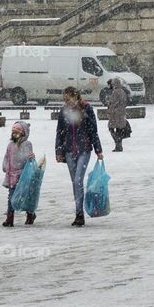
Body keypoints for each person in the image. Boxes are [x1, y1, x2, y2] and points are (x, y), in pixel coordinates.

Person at [55, 87, 103, 227]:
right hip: (69, 150)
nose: (66, 102)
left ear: (75, 96)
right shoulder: (64, 111)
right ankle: (79, 212)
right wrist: (59, 151)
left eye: (68, 99)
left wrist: (98, 149)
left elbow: (93, 130)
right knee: (75, 183)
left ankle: (80, 214)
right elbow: (60, 132)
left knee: (78, 180)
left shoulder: (86, 108)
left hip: (84, 149)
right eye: (64, 100)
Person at [1, 121, 36, 227]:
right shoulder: (10, 145)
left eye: (17, 132)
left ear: (23, 133)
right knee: (12, 198)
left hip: (23, 176)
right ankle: (9, 218)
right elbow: (6, 157)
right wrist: (5, 166)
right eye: (13, 132)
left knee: (26, 196)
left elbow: (27, 158)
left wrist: (31, 158)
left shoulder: (27, 144)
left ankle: (30, 214)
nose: (14, 134)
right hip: (11, 176)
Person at [106, 78, 129, 152]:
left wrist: (109, 111)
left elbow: (113, 104)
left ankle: (117, 144)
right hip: (121, 113)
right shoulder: (122, 91)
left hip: (115, 114)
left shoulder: (115, 92)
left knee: (111, 128)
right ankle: (119, 145)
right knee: (119, 130)